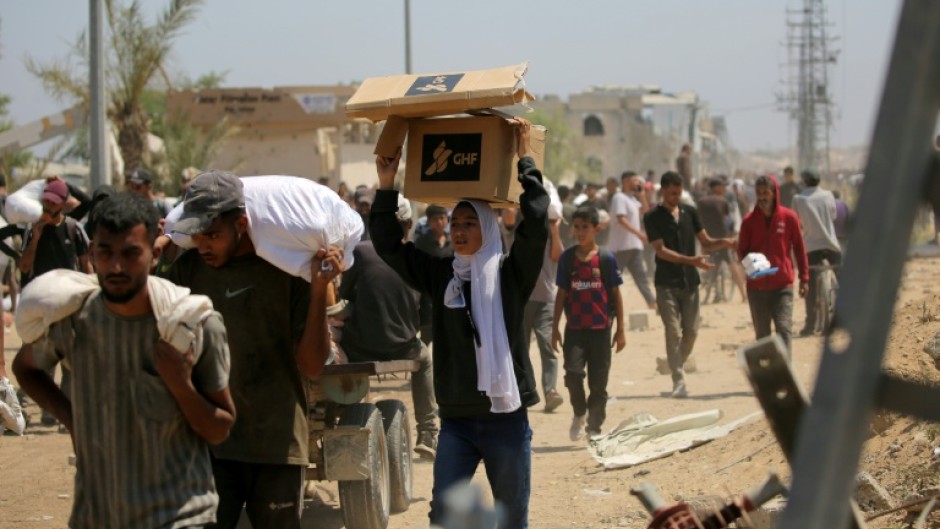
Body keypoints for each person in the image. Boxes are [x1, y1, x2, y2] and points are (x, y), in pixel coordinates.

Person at [13, 192, 236, 529]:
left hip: (178, 517)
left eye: (131, 254)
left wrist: (180, 384)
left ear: (154, 254)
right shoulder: (74, 321)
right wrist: (72, 419)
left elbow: (220, 428)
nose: (116, 267)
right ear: (92, 254)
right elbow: (25, 368)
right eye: (105, 253)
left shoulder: (192, 326)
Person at [372, 117, 546, 529]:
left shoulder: (510, 275)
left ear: (486, 228)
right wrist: (386, 182)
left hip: (506, 420)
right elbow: (388, 246)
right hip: (457, 423)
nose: (461, 230)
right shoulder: (441, 276)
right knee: (444, 517)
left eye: (470, 223)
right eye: (456, 223)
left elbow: (535, 225)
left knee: (510, 521)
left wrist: (526, 162)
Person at [163, 170, 342, 529]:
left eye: (213, 235)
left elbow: (311, 366)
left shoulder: (286, 271)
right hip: (208, 442)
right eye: (198, 235)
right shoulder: (186, 271)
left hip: (275, 444)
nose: (203, 246)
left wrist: (319, 290)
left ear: (242, 223)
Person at [339, 194, 439, 459]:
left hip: (360, 347)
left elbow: (345, 292)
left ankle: (336, 412)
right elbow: (427, 318)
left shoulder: (359, 252)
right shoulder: (419, 258)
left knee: (335, 337)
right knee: (426, 359)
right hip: (403, 347)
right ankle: (428, 432)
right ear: (408, 225)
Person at [644, 171, 735, 398]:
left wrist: (724, 242)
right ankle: (678, 379)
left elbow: (705, 241)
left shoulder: (690, 213)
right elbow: (660, 250)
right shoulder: (652, 217)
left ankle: (675, 363)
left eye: (679, 192)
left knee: (692, 332)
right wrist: (690, 260)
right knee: (673, 331)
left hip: (690, 283)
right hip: (666, 282)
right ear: (663, 191)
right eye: (672, 192)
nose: (676, 196)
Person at [552, 205, 625, 441]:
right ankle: (579, 412)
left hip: (601, 330)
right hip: (574, 329)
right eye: (577, 227)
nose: (581, 231)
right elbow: (561, 294)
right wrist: (554, 328)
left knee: (598, 383)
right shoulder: (567, 259)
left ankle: (594, 428)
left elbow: (616, 295)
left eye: (586, 227)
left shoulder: (605, 258)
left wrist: (621, 329)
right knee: (572, 375)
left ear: (596, 229)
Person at [737, 175, 809, 357]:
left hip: (782, 286)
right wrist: (752, 266)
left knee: (784, 330)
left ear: (774, 193)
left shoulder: (789, 218)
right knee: (763, 337)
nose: (762, 197)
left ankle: (786, 375)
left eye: (766, 193)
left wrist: (804, 278)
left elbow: (800, 249)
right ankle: (768, 376)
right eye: (759, 193)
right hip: (756, 288)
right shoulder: (748, 222)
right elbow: (741, 251)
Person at [791, 169, 842, 336]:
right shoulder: (828, 195)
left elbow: (795, 221)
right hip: (831, 245)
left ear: (804, 181)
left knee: (810, 289)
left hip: (811, 247)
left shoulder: (798, 199)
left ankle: (810, 326)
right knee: (843, 282)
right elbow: (833, 216)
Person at [524, 212, 565, 414]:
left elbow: (558, 256)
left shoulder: (550, 238)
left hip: (546, 300)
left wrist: (555, 231)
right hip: (521, 300)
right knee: (519, 348)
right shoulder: (519, 232)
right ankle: (522, 392)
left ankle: (550, 392)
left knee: (547, 345)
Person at [608, 171, 656, 309]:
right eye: (635, 180)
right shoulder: (619, 198)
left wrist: (642, 197)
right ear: (626, 181)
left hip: (634, 246)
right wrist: (639, 234)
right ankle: (606, 305)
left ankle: (652, 302)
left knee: (641, 277)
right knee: (613, 279)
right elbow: (621, 219)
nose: (638, 183)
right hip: (620, 247)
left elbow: (645, 213)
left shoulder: (633, 200)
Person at [695, 178, 747, 303]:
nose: (724, 189)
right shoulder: (722, 200)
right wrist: (732, 236)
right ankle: (744, 296)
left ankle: (711, 292)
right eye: (723, 186)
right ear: (716, 188)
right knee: (732, 266)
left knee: (709, 265)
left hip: (706, 239)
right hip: (721, 239)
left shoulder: (701, 201)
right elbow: (727, 220)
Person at [414, 204, 453, 346]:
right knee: (427, 335)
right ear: (429, 222)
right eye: (435, 219)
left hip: (450, 293)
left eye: (442, 218)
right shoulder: (422, 242)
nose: (439, 222)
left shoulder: (453, 241)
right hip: (428, 295)